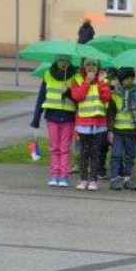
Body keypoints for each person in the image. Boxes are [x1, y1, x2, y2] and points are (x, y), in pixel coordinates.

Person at [31, 56, 78, 187]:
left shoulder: (75, 77)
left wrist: (68, 91)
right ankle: (54, 174)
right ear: (56, 62)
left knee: (65, 147)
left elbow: (78, 97)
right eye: (61, 61)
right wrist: (36, 117)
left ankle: (64, 175)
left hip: (68, 116)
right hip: (52, 116)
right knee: (54, 147)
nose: (64, 63)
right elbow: (41, 97)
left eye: (67, 61)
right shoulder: (47, 75)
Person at [69, 58, 111, 191]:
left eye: (94, 65)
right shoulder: (78, 79)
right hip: (84, 122)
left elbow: (106, 97)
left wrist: (99, 82)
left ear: (98, 67)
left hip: (98, 123)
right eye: (88, 65)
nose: (91, 68)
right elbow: (77, 96)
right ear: (83, 66)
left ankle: (93, 179)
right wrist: (87, 81)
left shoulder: (103, 80)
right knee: (84, 152)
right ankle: (83, 178)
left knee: (95, 152)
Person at [107, 67, 136, 191]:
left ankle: (127, 179)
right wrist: (110, 130)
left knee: (130, 156)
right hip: (117, 130)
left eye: (132, 78)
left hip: (132, 130)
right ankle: (114, 179)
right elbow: (110, 113)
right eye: (126, 78)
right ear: (121, 80)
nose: (130, 81)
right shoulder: (115, 94)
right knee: (116, 155)